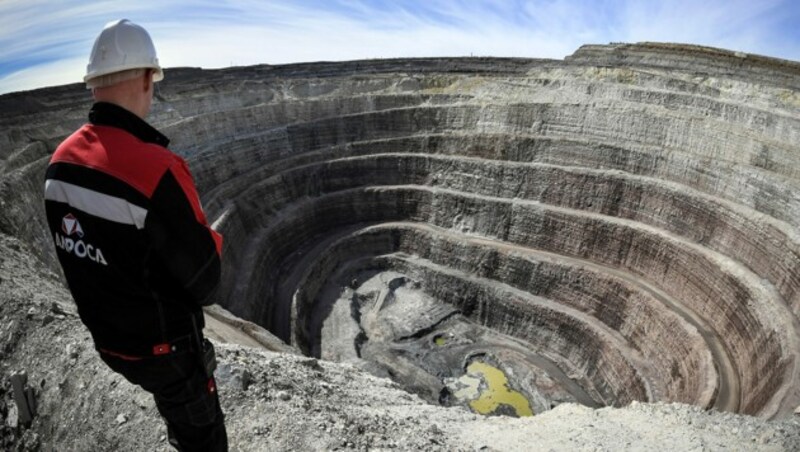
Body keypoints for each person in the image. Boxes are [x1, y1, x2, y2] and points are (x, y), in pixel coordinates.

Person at [43, 19, 228, 451]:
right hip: (166, 353)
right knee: (202, 436)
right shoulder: (156, 170)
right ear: (148, 78)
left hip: (111, 345)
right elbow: (206, 283)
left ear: (93, 85)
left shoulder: (58, 164)